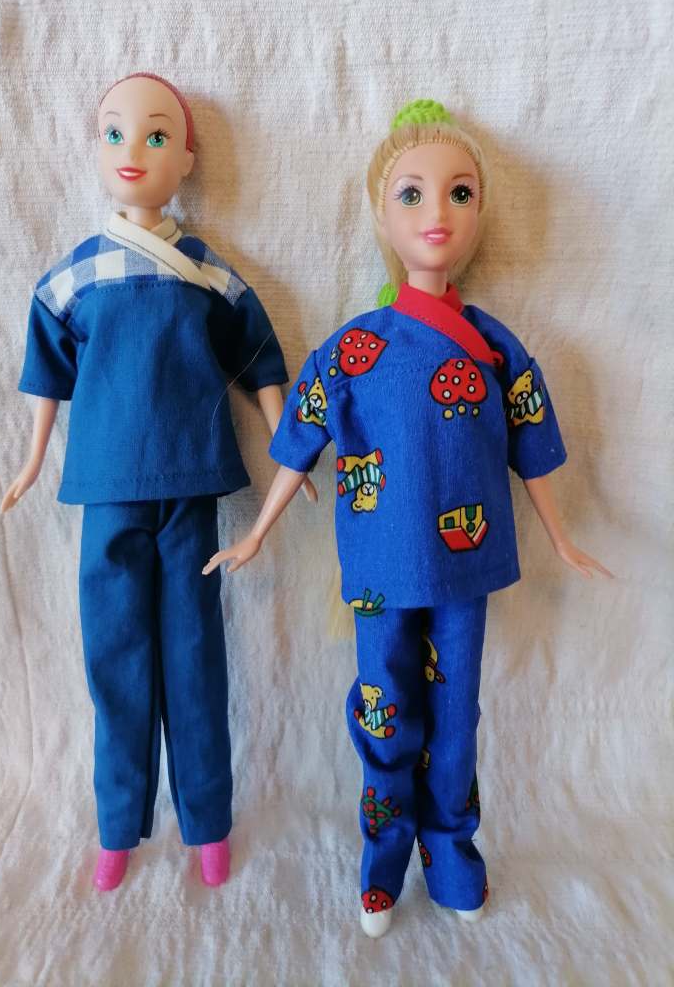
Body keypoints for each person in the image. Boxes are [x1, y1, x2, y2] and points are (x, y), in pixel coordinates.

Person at [203, 99, 611, 936]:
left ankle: (453, 854)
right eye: (411, 194)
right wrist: (255, 531)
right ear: (381, 214)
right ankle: (382, 865)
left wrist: (563, 537)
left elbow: (530, 442)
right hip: (382, 569)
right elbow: (301, 438)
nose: (438, 214)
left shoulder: (493, 346)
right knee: (385, 716)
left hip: (466, 567)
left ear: (481, 212)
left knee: (455, 724)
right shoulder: (355, 348)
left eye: (460, 193)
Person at [1, 72, 308, 891]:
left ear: (187, 160)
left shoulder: (205, 272)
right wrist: (31, 458)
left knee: (195, 654)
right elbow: (46, 366)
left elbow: (257, 352)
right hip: (106, 487)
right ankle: (118, 825)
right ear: (95, 149)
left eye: (157, 135)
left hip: (190, 484)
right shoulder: (75, 276)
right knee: (115, 657)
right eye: (114, 133)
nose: (133, 150)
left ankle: (208, 821)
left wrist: (286, 439)